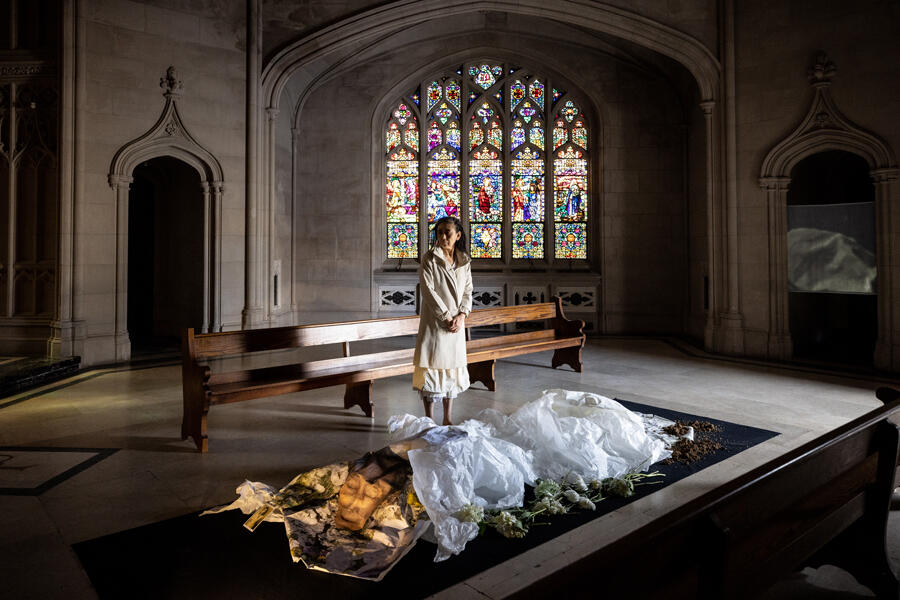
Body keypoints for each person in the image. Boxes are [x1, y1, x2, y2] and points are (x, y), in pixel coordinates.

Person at [413, 216, 473, 425]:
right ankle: (429, 418)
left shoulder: (464, 261)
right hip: (436, 323)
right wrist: (447, 316)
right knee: (431, 368)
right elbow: (428, 291)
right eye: (439, 232)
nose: (443, 236)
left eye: (448, 232)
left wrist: (462, 314)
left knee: (451, 369)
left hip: (456, 324)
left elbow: (468, 290)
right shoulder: (429, 258)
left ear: (458, 235)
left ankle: (447, 418)